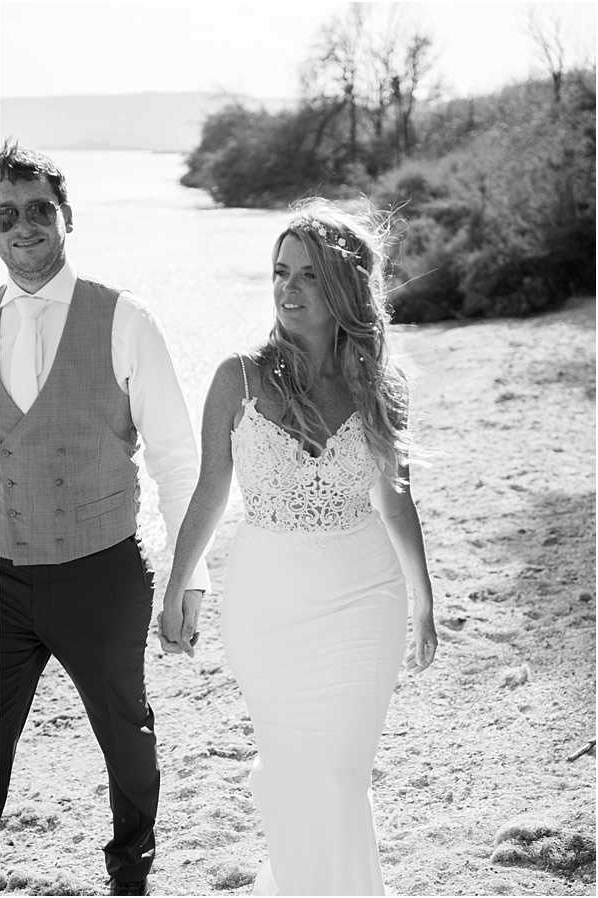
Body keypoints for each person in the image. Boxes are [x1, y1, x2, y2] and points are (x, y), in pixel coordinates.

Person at [160, 197, 437, 895]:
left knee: (342, 775)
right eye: (280, 271)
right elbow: (210, 493)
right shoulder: (237, 378)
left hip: (363, 598)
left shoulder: (378, 386)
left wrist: (425, 602)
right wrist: (178, 587)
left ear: (343, 287)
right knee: (293, 771)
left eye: (308, 275)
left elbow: (396, 499)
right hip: (268, 607)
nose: (287, 287)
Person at [0, 140, 210, 897]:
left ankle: (131, 868)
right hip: (4, 579)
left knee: (126, 736)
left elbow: (177, 460)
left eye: (37, 210)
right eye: (5, 214)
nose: (22, 226)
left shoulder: (124, 318)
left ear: (66, 217)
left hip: (102, 572)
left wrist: (189, 579)